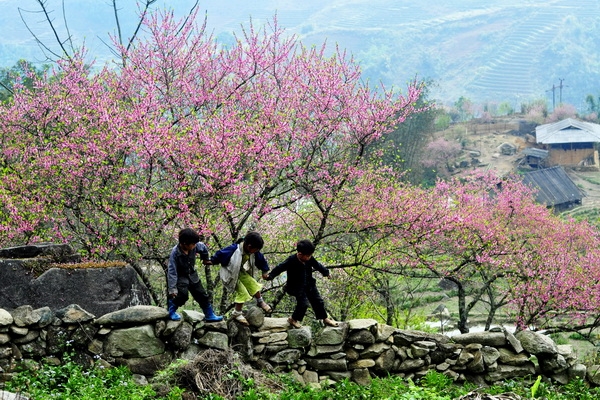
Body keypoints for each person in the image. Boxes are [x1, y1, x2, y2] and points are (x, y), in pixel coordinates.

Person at [265, 239, 338, 328]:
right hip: (296, 287)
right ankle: (293, 319)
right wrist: (270, 276)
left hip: (309, 284)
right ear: (300, 254)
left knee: (318, 301)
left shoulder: (310, 259)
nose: (309, 257)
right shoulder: (291, 260)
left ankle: (325, 319)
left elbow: (317, 265)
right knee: (303, 304)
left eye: (310, 255)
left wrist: (326, 273)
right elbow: (280, 268)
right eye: (307, 256)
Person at [209, 231, 272, 325]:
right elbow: (220, 254)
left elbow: (261, 260)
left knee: (252, 283)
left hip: (240, 271)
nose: (256, 251)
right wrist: (211, 261)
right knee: (243, 292)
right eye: (255, 249)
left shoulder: (254, 251)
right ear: (249, 246)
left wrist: (264, 271)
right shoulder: (234, 249)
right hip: (229, 273)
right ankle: (237, 313)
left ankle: (260, 301)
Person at [166, 227, 223, 322]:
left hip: (192, 275)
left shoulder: (196, 246)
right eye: (193, 244)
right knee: (182, 296)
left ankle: (209, 314)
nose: (195, 245)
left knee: (202, 295)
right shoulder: (175, 253)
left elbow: (203, 248)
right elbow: (172, 271)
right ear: (184, 243)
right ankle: (171, 311)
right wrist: (172, 289)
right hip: (181, 277)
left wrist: (205, 258)